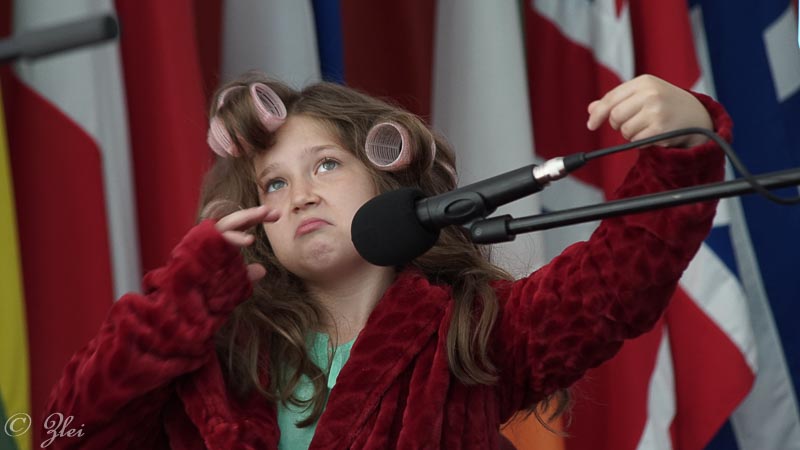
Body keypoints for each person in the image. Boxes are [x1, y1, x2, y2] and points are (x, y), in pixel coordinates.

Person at [43, 71, 730, 449]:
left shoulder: (473, 329)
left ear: (384, 179)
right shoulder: (219, 355)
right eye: (274, 183)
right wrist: (177, 309)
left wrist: (684, 144)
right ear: (255, 220)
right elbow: (64, 433)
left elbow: (617, 279)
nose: (301, 194)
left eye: (326, 165)